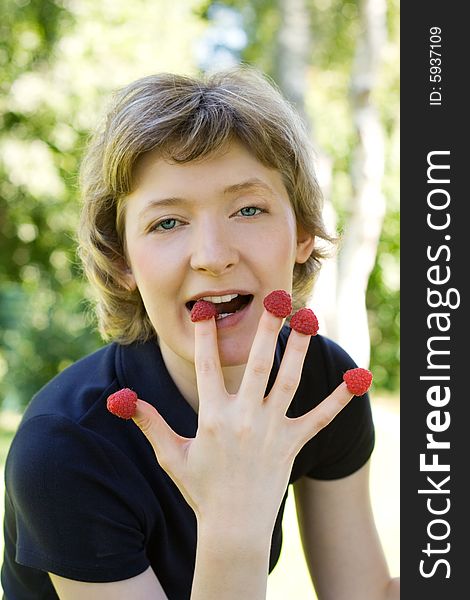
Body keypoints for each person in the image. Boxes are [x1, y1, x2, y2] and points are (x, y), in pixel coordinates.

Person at [1, 67, 399, 599]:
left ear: (302, 233)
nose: (213, 256)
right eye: (167, 222)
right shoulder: (66, 447)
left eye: (249, 208)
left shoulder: (324, 383)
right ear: (122, 260)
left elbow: (363, 595)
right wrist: (234, 513)